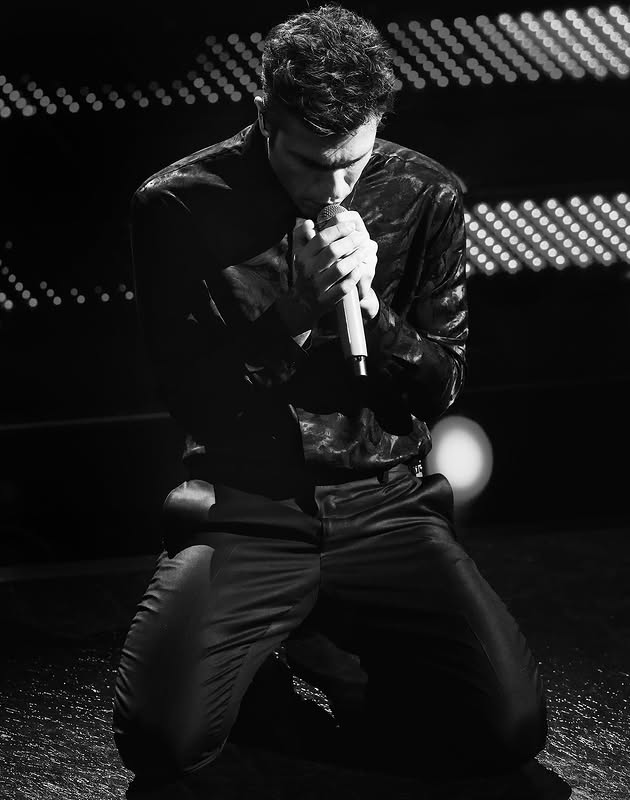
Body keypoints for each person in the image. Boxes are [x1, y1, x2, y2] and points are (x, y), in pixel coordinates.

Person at [112, 4, 547, 796]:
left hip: (386, 502)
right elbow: (191, 400)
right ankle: (273, 630)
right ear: (265, 119)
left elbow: (443, 384)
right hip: (249, 502)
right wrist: (296, 314)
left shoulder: (425, 193)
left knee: (507, 730)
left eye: (353, 162)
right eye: (312, 164)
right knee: (161, 740)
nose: (335, 188)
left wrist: (374, 313)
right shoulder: (178, 203)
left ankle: (326, 629)